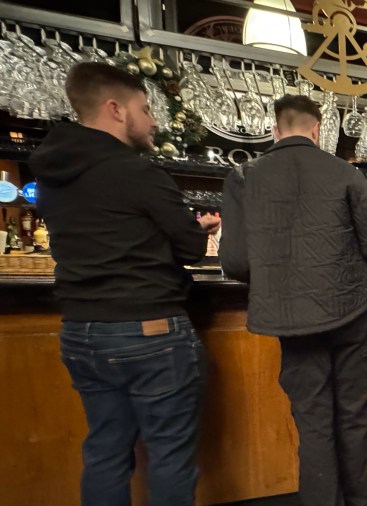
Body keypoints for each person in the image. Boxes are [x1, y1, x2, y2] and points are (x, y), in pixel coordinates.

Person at [29, 62, 219, 505]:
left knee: (104, 453)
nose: (153, 120)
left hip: (81, 330)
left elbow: (110, 232)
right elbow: (189, 247)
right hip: (149, 329)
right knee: (170, 455)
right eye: (145, 108)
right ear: (116, 109)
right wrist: (199, 229)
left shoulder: (52, 178)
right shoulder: (137, 172)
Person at [219, 95, 367, 506]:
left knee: (313, 422)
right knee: (352, 416)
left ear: (275, 130)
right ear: (318, 130)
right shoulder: (345, 174)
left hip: (292, 319)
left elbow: (237, 262)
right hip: (351, 312)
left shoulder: (245, 176)